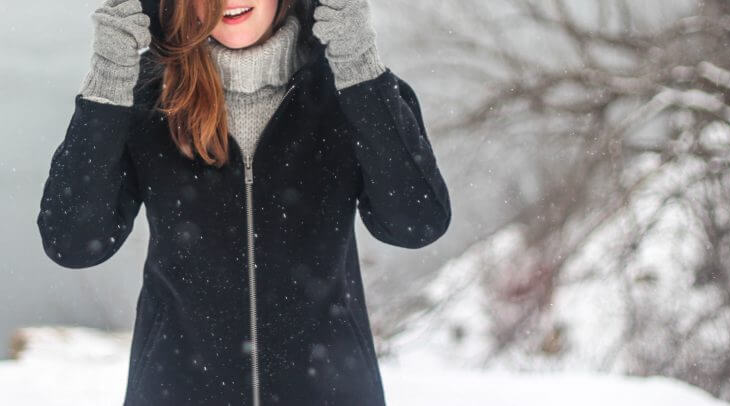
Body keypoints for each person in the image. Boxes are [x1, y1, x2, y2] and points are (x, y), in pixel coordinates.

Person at [36, 0, 452, 404]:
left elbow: (416, 223)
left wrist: (358, 63)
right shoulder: (148, 98)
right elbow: (72, 242)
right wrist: (109, 78)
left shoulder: (351, 89)